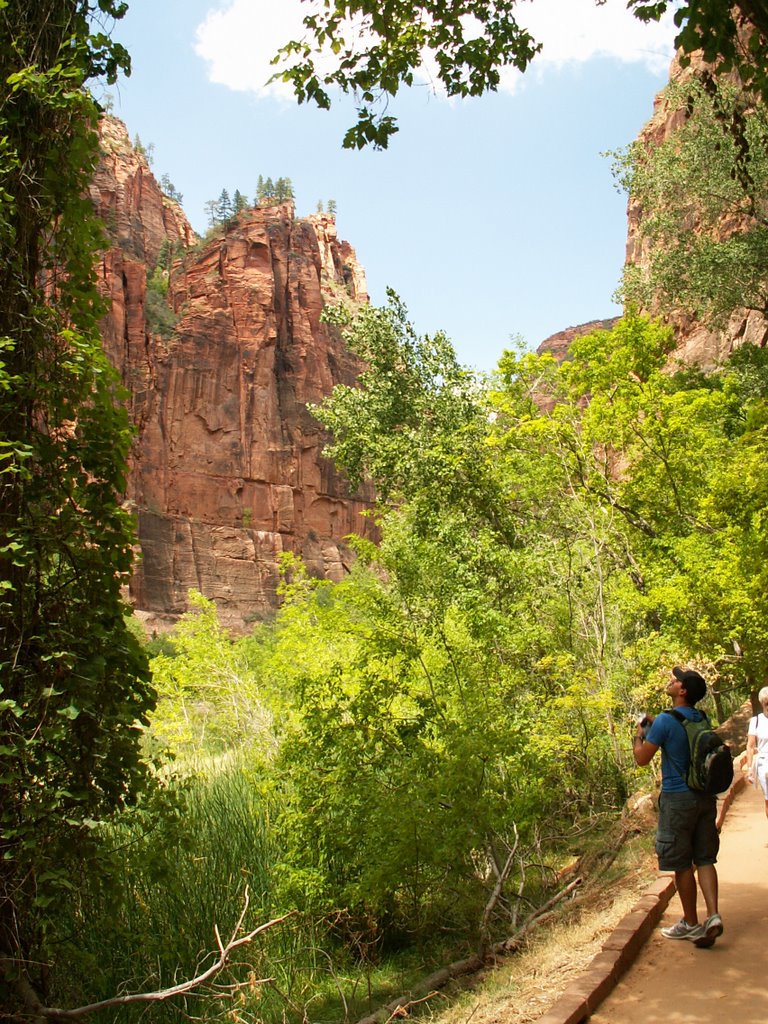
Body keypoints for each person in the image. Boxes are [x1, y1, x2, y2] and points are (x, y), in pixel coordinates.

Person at [632, 666, 724, 948]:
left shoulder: (663, 721)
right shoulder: (702, 718)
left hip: (677, 799)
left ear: (682, 691)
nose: (671, 681)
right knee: (705, 858)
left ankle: (691, 923)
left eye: (676, 680)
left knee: (682, 863)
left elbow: (642, 759)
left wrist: (639, 734)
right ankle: (714, 915)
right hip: (704, 798)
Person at [746, 685, 768, 822]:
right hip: (764, 762)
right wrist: (749, 769)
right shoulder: (756, 721)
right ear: (762, 703)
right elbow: (750, 746)